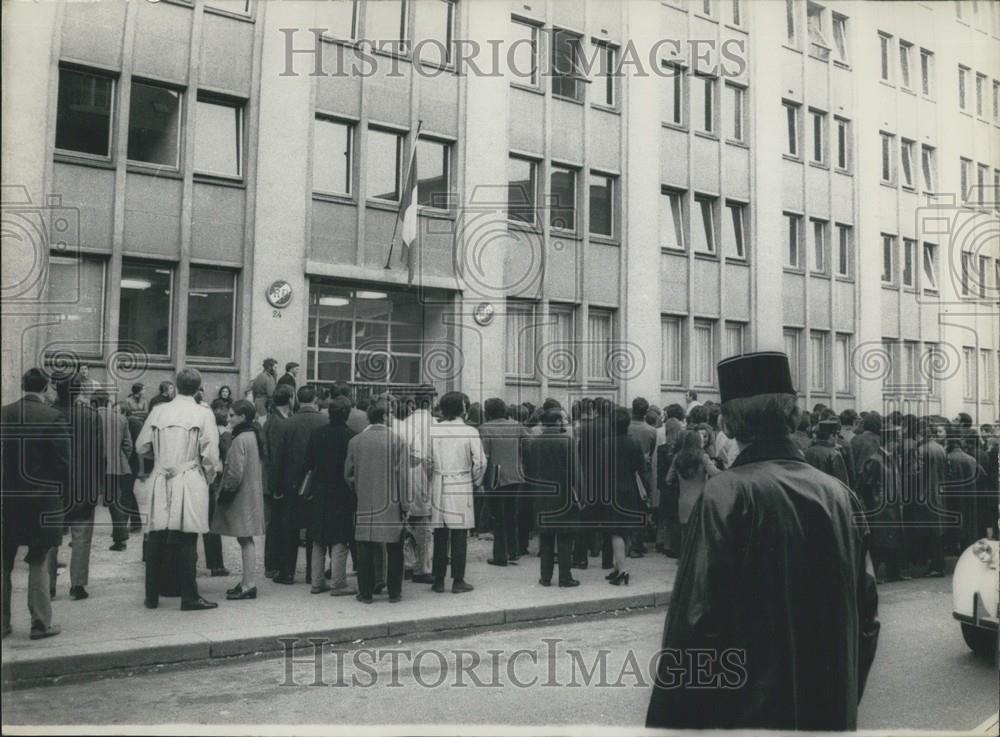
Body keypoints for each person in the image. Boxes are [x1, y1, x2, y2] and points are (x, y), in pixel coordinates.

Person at [647, 352, 879, 730]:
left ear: (731, 422)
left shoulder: (726, 493)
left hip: (746, 714)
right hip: (828, 710)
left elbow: (696, 622)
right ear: (792, 416)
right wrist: (842, 699)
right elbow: (866, 618)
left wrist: (673, 721)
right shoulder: (839, 495)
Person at [134, 368, 222, 611]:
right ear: (198, 387)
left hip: (161, 477)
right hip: (189, 476)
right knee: (187, 537)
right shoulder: (202, 412)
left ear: (176, 385)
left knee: (156, 535)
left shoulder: (159, 410)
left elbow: (141, 446)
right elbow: (211, 453)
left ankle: (151, 596)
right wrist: (210, 474)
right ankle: (189, 596)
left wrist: (162, 456)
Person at [2, 369, 68, 640]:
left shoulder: (4, 414)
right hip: (43, 501)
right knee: (39, 561)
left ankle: (2, 624)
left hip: (6, 500)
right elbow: (64, 465)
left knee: (3, 563)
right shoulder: (53, 417)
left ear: (22, 386)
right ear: (45, 388)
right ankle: (40, 624)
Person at [345, 401, 410, 603]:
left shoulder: (356, 441)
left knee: (364, 546)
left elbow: (348, 474)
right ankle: (394, 592)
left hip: (365, 500)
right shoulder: (398, 441)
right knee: (394, 548)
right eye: (390, 413)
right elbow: (404, 477)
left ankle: (365, 592)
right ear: (383, 416)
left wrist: (360, 489)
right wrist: (406, 505)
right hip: (391, 501)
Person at [423, 391, 486, 594]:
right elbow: (480, 462)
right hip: (460, 482)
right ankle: (458, 580)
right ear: (463, 408)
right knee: (459, 533)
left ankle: (438, 579)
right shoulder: (470, 432)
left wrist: (431, 477)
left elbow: (425, 460)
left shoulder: (433, 430)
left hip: (439, 482)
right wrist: (476, 480)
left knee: (440, 532)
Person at [52, 374, 105, 601]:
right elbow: (98, 454)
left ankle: (48, 585)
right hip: (83, 486)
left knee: (51, 538)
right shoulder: (90, 416)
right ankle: (78, 585)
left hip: (53, 487)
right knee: (82, 536)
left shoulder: (50, 414)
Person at [269, 385, 327, 584]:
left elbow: (278, 458)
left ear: (297, 399)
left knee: (290, 529)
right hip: (318, 483)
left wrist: (275, 486)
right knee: (314, 530)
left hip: (291, 483)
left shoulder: (286, 424)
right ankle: (314, 573)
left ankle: (287, 573)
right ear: (316, 399)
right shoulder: (325, 421)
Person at [212, 399, 265, 600]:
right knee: (246, 539)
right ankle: (246, 582)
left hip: (241, 496)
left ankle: (249, 584)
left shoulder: (240, 438)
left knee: (245, 540)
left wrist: (223, 494)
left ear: (243, 417)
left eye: (233, 415)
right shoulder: (253, 435)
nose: (229, 417)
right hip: (250, 494)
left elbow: (234, 473)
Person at [303, 396, 357, 596]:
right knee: (340, 538)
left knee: (318, 537)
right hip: (342, 492)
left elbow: (308, 463)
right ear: (347, 414)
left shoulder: (317, 434)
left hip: (319, 490)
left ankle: (317, 582)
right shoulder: (351, 436)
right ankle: (339, 583)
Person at [522, 408, 580, 587]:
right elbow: (575, 471)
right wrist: (579, 494)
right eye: (562, 419)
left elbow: (528, 471)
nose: (564, 421)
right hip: (563, 494)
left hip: (540, 494)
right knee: (564, 537)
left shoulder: (533, 442)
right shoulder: (567, 442)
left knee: (545, 537)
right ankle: (565, 576)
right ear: (556, 422)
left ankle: (545, 577)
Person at [599, 407, 651, 586]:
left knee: (615, 531)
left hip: (611, 490)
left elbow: (601, 470)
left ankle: (622, 570)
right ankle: (618, 566)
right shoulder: (635, 443)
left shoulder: (605, 443)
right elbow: (642, 470)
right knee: (626, 529)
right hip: (630, 489)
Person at [478, 398, 527, 567]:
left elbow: (485, 456)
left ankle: (500, 555)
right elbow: (527, 443)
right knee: (511, 515)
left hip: (495, 477)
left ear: (488, 412)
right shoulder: (517, 426)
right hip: (515, 474)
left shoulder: (485, 429)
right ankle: (514, 551)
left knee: (498, 517)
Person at [855, 425, 906, 583]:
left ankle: (894, 573)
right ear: (890, 441)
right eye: (897, 440)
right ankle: (874, 574)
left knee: (893, 541)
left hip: (893, 507)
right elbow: (865, 485)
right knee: (878, 541)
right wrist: (874, 502)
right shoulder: (875, 460)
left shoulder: (893, 458)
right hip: (880, 508)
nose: (900, 444)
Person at [397, 389, 436, 583]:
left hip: (405, 480)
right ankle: (423, 567)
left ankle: (407, 564)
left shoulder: (404, 424)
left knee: (406, 526)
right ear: (430, 403)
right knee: (424, 528)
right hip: (426, 480)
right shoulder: (435, 425)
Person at [665, 427, 722, 556]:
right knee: (700, 535)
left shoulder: (677, 457)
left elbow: (668, 479)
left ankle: (684, 561)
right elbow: (716, 474)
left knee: (685, 534)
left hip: (683, 501)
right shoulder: (703, 457)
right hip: (701, 500)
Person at [94, 393, 133, 551]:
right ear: (109, 402)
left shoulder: (90, 416)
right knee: (114, 502)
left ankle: (80, 537)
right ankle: (120, 539)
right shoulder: (121, 419)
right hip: (114, 466)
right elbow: (127, 445)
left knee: (84, 503)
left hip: (92, 467)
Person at [262, 384, 294, 578]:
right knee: (276, 524)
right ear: (290, 399)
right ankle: (273, 564)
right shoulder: (277, 423)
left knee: (278, 523)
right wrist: (275, 485)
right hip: (278, 481)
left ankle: (276, 563)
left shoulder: (278, 420)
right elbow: (274, 456)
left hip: (279, 479)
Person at [914, 417, 948, 577]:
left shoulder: (921, 450)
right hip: (939, 493)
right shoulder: (941, 448)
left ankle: (936, 566)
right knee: (938, 531)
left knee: (932, 531)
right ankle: (938, 564)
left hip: (927, 494)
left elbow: (918, 474)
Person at [203, 399, 231, 578]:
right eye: (224, 411)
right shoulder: (221, 432)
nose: (226, 415)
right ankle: (216, 565)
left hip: (202, 477)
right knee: (211, 523)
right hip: (213, 479)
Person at [626, 397, 657, 559]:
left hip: (625, 471)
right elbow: (651, 454)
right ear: (646, 412)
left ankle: (627, 543)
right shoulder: (651, 431)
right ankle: (637, 544)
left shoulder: (626, 427)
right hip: (643, 472)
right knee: (641, 508)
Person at [804, 419, 851, 486]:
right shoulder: (834, 454)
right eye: (836, 434)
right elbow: (842, 482)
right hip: (829, 491)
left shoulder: (808, 451)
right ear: (832, 435)